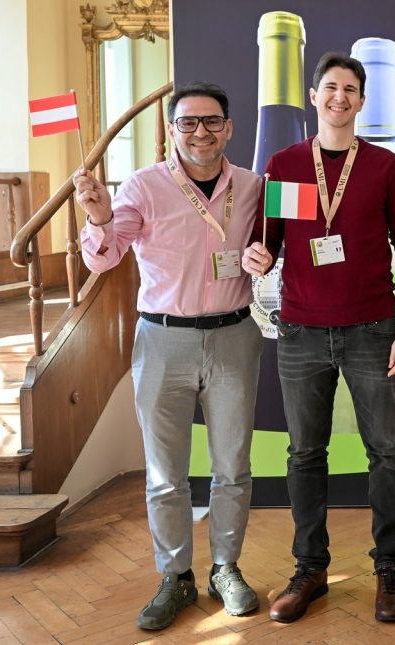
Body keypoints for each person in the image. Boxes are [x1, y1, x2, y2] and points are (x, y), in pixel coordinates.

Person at [241, 52, 395, 623]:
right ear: (314, 96)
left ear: (362, 101)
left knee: (387, 452)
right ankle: (310, 568)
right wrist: (256, 254)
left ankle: (388, 567)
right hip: (300, 332)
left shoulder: (384, 166)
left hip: (373, 330)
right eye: (330, 88)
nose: (339, 97)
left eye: (350, 89)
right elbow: (268, 238)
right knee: (304, 453)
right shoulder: (286, 163)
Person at [74, 81, 263, 630]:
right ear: (172, 129)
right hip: (162, 341)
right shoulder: (144, 185)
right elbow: (104, 259)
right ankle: (176, 576)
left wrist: (267, 258)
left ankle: (225, 568)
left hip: (234, 336)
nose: (200, 132)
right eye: (188, 122)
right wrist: (99, 218)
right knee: (164, 473)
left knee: (233, 468)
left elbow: (278, 244)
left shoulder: (253, 186)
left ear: (228, 128)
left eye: (211, 121)